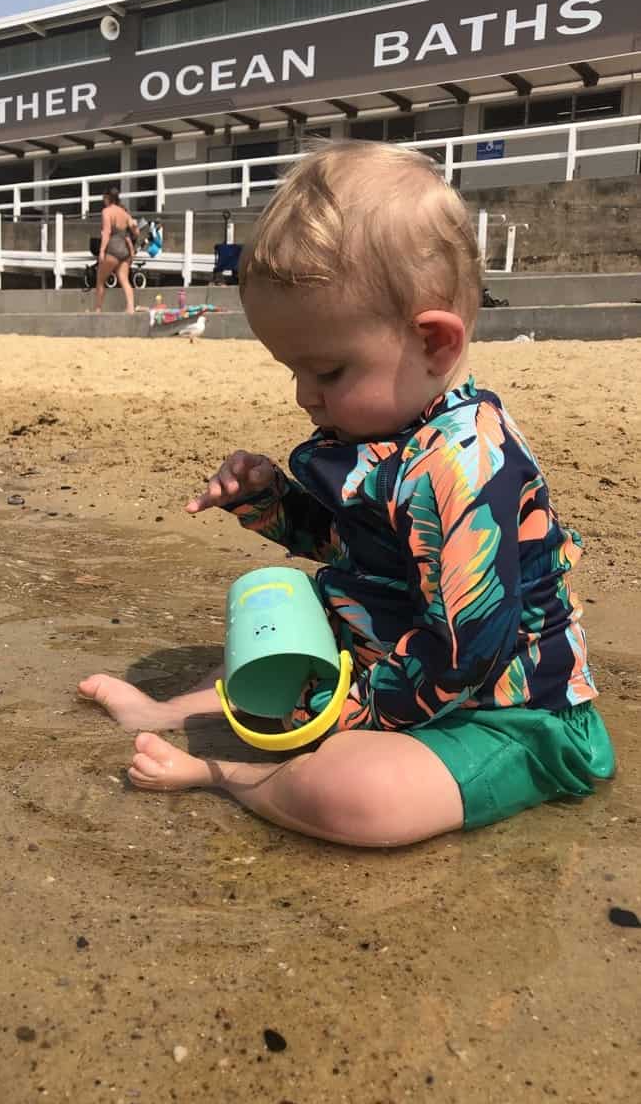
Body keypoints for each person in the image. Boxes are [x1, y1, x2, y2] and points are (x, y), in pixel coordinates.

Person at [80, 141, 615, 847]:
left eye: (327, 371)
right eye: (292, 370)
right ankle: (166, 712)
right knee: (278, 636)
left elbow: (465, 651)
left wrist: (343, 715)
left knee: (355, 793)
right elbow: (351, 545)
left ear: (434, 343)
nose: (304, 395)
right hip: (397, 667)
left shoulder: (463, 465)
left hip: (506, 716)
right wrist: (270, 502)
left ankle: (225, 774)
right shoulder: (387, 432)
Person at [95, 186, 138, 315]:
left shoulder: (106, 211)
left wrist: (102, 251)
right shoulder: (124, 213)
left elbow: (107, 232)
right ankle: (130, 308)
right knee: (124, 279)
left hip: (112, 249)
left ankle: (98, 309)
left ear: (108, 198)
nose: (103, 201)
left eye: (104, 198)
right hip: (124, 251)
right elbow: (136, 232)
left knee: (100, 280)